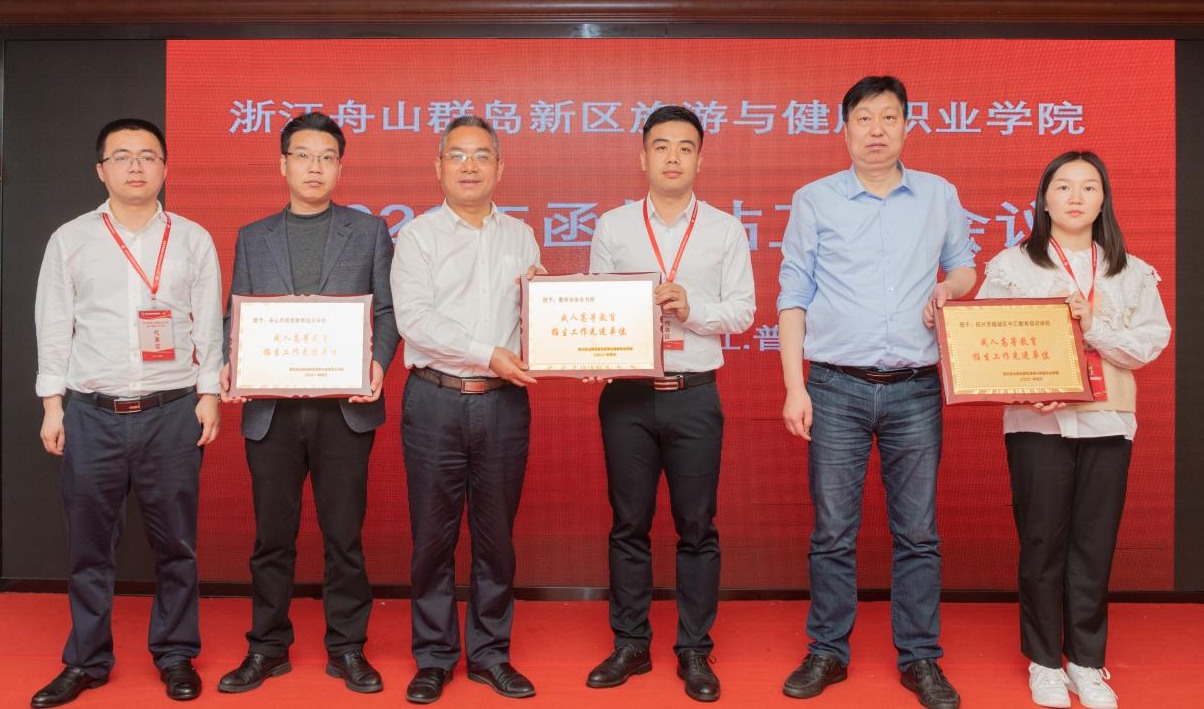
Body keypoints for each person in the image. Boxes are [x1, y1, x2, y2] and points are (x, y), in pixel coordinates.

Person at [776, 76, 975, 709]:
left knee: (917, 531)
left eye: (890, 117)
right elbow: (792, 296)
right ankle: (827, 651)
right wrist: (794, 387)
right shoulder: (814, 200)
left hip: (915, 388)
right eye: (864, 118)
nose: (877, 130)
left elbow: (965, 265)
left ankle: (920, 658)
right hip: (834, 386)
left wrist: (950, 288)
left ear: (908, 126)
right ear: (845, 130)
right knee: (833, 530)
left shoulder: (939, 195)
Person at [32, 118, 221, 706]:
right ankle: (86, 661)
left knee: (177, 546)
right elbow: (54, 325)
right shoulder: (71, 239)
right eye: (121, 156)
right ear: (101, 170)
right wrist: (52, 405)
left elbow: (209, 324)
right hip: (92, 414)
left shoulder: (192, 238)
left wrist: (209, 394)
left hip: (173, 411)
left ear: (165, 167)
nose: (135, 166)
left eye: (147, 155)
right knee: (89, 548)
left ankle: (176, 654)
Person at [976, 151, 1170, 709]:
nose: (1076, 197)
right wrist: (1023, 389)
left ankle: (1086, 661)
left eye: (1089, 187)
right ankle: (1044, 662)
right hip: (1037, 422)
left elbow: (1149, 344)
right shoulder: (1013, 266)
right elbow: (985, 340)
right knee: (1041, 542)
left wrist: (1094, 324)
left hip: (1109, 420)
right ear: (1043, 199)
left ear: (1104, 200)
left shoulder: (1130, 270)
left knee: (1093, 542)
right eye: (1063, 186)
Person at [216, 112, 399, 695]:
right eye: (303, 155)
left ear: (340, 167)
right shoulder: (254, 236)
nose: (314, 167)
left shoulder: (368, 231)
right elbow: (236, 312)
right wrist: (232, 358)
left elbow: (387, 311)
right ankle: (267, 647)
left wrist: (377, 363)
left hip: (344, 407)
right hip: (271, 409)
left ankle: (347, 648)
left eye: (326, 157)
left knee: (344, 536)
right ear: (283, 164)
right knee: (272, 537)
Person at [584, 105, 755, 704]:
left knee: (696, 526)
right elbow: (597, 307)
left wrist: (693, 308)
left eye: (685, 147)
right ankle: (630, 643)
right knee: (628, 523)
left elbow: (743, 311)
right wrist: (590, 350)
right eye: (661, 146)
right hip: (627, 396)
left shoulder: (726, 230)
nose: (673, 157)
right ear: (643, 158)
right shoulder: (613, 226)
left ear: (700, 159)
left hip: (694, 395)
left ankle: (694, 648)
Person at [392, 115, 542, 704]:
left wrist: (552, 318)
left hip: (504, 404)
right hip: (435, 400)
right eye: (458, 155)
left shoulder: (522, 236)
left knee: (496, 537)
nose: (470, 166)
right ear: (438, 168)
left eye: (482, 155)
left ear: (500, 167)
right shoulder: (417, 237)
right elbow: (415, 321)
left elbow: (532, 319)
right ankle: (433, 656)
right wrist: (489, 353)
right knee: (432, 537)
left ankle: (490, 654)